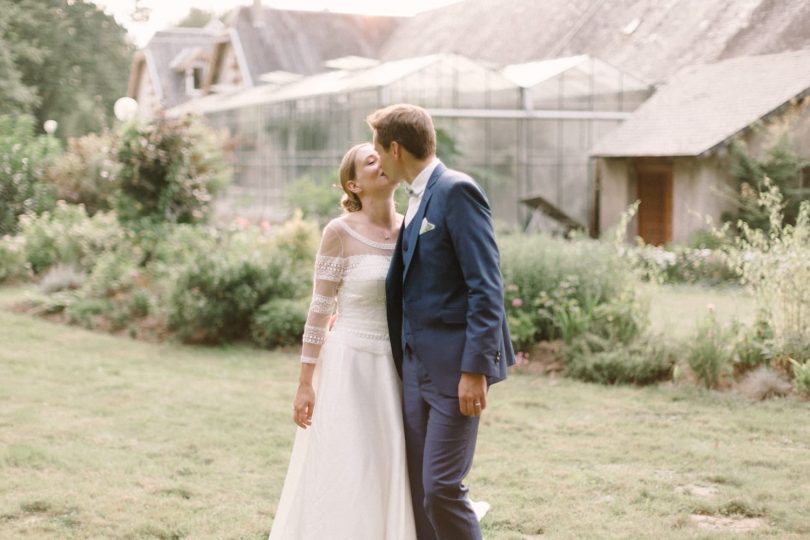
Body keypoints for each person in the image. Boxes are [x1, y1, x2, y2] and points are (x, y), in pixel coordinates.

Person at [368, 104, 515, 540]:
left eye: (378, 152)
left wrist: (475, 369)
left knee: (442, 488)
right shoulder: (412, 200)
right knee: (417, 488)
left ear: (396, 149)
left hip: (455, 370)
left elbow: (486, 286)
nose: (377, 160)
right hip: (414, 368)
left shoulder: (456, 191)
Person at [268, 143, 417, 539]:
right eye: (371, 161)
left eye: (383, 156)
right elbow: (319, 310)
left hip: (399, 367)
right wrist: (305, 382)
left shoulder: (414, 227)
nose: (381, 162)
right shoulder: (339, 232)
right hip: (349, 365)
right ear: (354, 185)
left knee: (390, 462)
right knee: (349, 463)